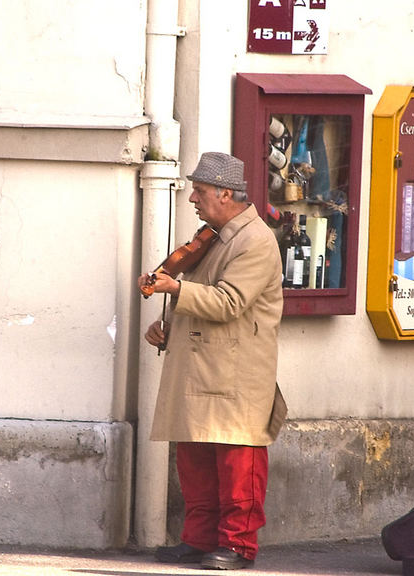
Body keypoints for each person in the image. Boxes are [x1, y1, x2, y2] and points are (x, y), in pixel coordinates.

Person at [138, 152, 287, 570]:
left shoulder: (255, 241)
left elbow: (229, 302)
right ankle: (199, 540)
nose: (192, 199)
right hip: (202, 368)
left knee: (238, 463)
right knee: (196, 462)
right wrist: (165, 325)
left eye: (199, 191)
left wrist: (173, 290)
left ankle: (238, 546)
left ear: (225, 193)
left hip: (236, 374)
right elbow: (198, 296)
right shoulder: (216, 236)